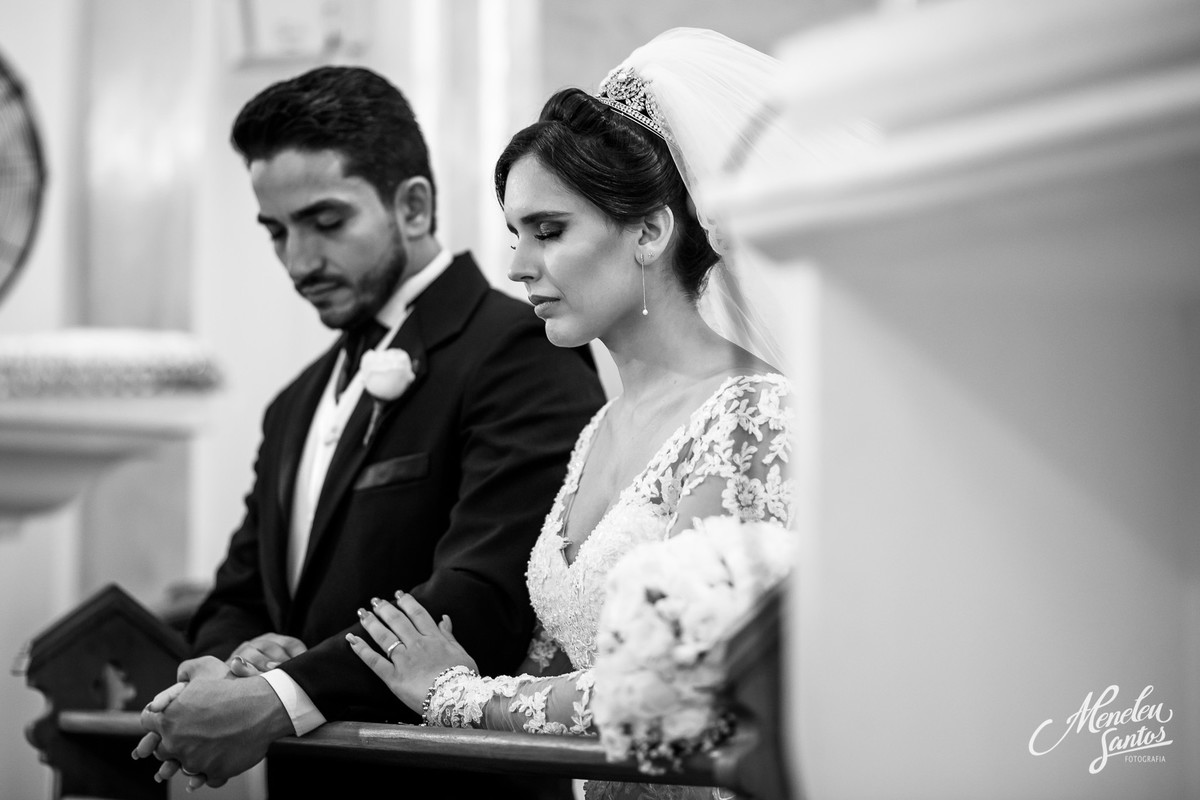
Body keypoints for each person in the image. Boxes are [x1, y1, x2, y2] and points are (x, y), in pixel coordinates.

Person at [346, 28, 796, 800]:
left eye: (549, 232)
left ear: (651, 230)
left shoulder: (750, 416)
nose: (519, 267)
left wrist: (455, 694)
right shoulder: (600, 430)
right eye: (516, 235)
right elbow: (561, 661)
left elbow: (659, 689)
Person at [133, 65, 604, 797]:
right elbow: (238, 591)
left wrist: (280, 696)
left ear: (411, 206)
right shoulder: (294, 402)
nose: (298, 261)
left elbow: (487, 589)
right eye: (277, 232)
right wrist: (227, 660)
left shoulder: (516, 349)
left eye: (326, 223)